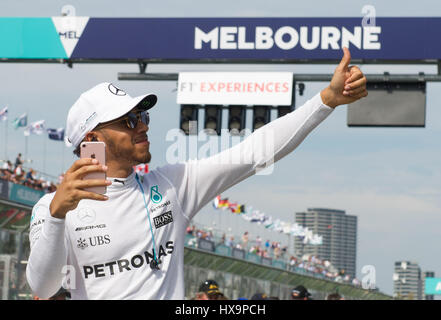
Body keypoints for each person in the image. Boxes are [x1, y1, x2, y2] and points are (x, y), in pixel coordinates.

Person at [26, 48, 367, 300]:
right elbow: (42, 286)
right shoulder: (51, 208)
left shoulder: (172, 184)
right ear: (92, 139)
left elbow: (254, 153)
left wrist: (325, 100)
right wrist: (57, 215)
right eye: (129, 121)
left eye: (143, 117)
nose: (143, 126)